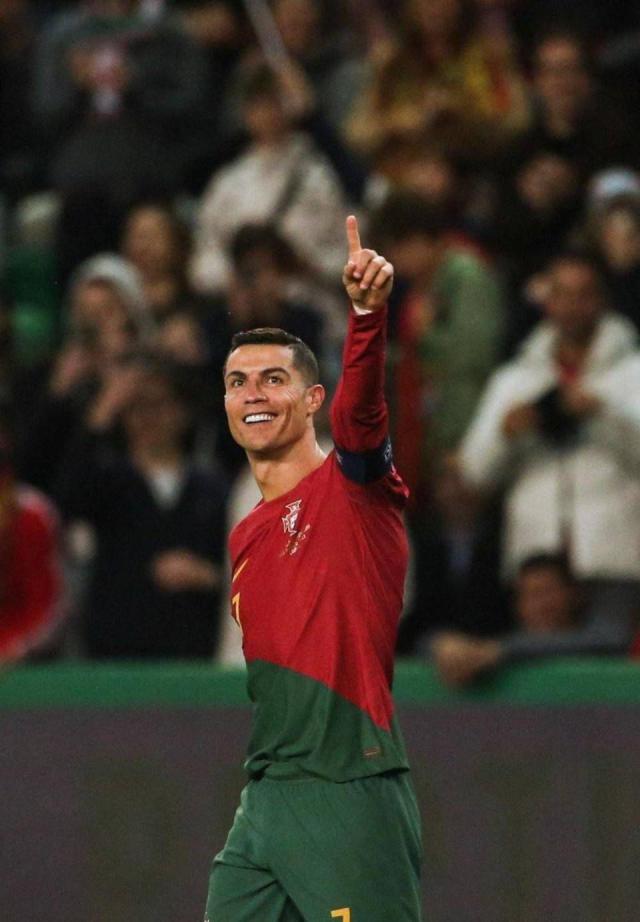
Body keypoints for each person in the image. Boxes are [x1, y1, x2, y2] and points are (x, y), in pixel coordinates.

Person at [205, 216, 422, 920]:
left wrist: (367, 318)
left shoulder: (353, 489)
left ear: (311, 400)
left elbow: (364, 414)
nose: (253, 394)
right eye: (238, 382)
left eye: (274, 379)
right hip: (267, 794)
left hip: (348, 786)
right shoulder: (246, 534)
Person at [459, 251, 640, 583]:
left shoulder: (633, 373)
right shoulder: (515, 379)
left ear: (603, 299)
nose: (571, 306)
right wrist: (506, 433)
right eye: (561, 293)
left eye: (583, 294)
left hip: (615, 560)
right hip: (535, 567)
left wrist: (604, 414)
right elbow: (474, 473)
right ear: (547, 299)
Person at [430, 552, 640, 687]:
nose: (540, 605)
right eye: (530, 595)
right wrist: (441, 644)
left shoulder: (602, 640)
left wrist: (499, 651)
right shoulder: (502, 641)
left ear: (575, 595)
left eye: (548, 592)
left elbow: (611, 639)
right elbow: (423, 642)